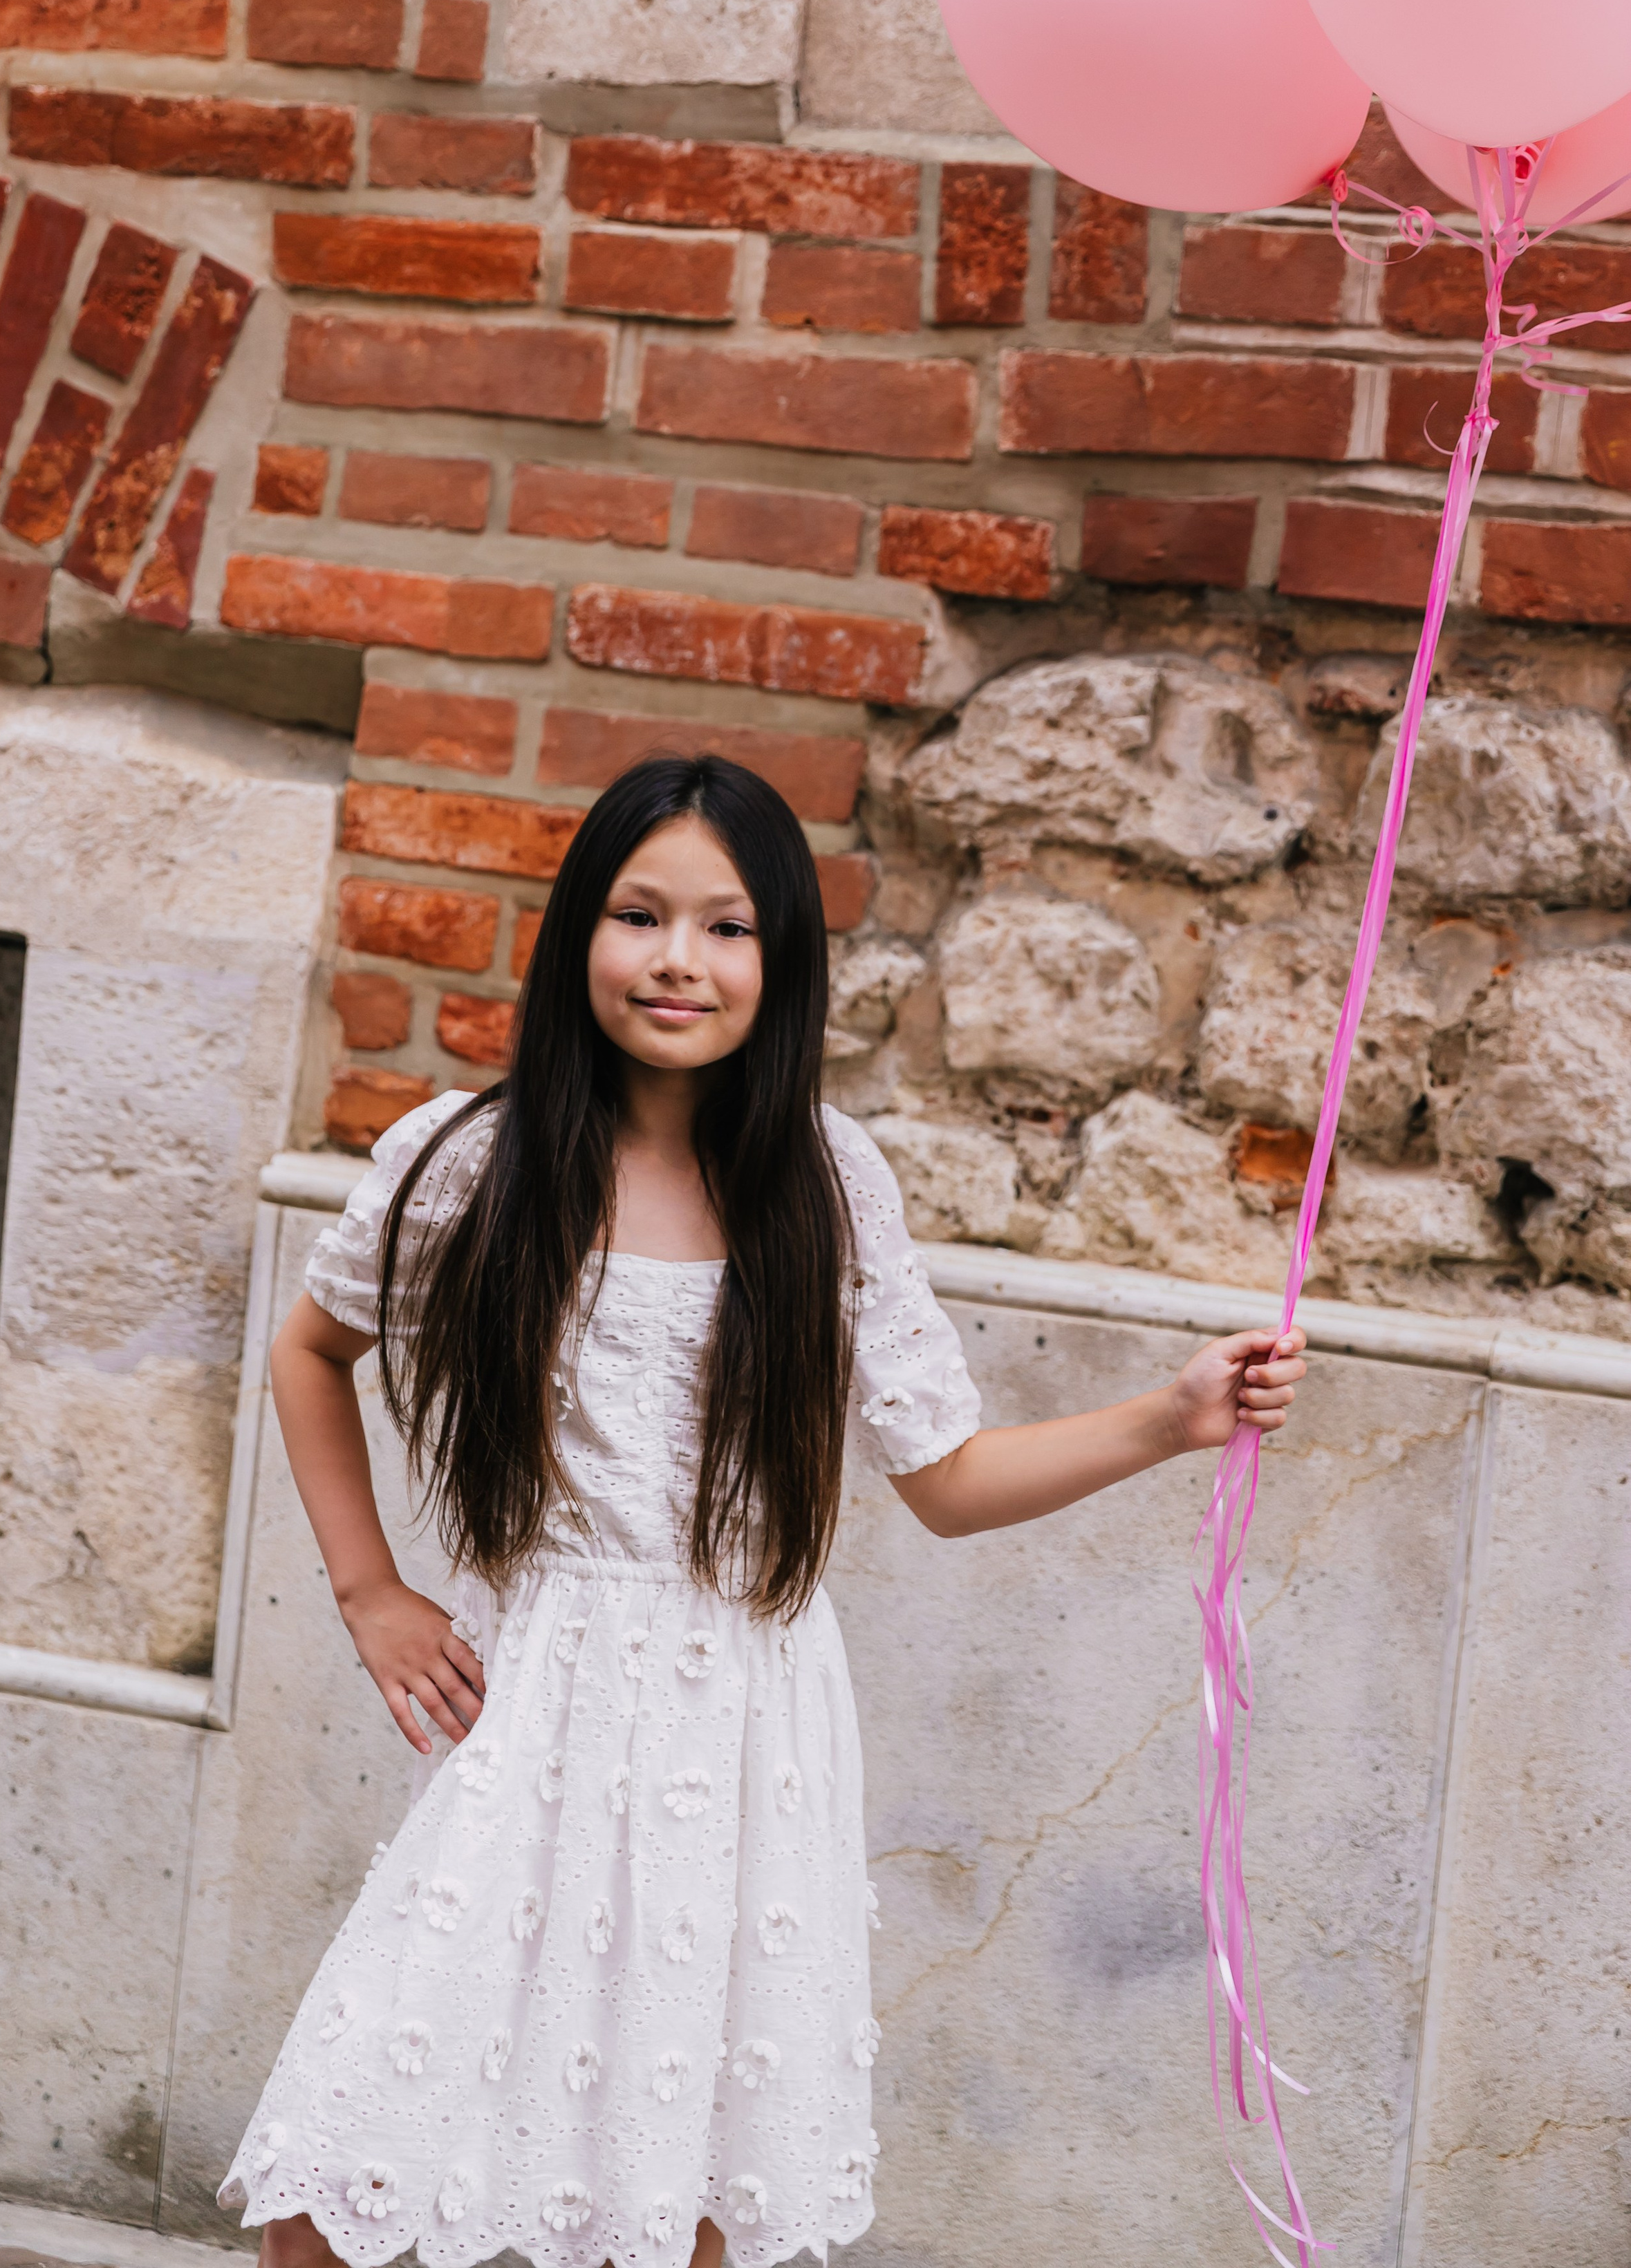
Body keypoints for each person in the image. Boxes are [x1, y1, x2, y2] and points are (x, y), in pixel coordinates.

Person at [219, 755, 1303, 2268]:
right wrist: (368, 1593)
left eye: (726, 929)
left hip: (746, 1719)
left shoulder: (824, 1185)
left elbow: (947, 1479)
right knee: (339, 2172)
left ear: (779, 957)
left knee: (691, 2168)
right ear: (576, 936)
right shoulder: (467, 1158)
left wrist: (1168, 1419)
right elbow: (308, 1347)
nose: (678, 961)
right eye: (638, 915)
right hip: (533, 1699)